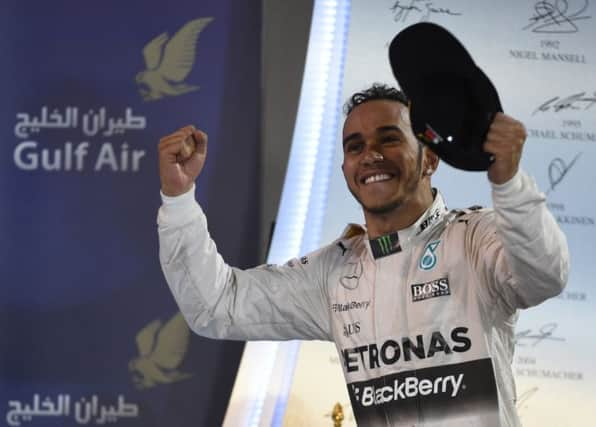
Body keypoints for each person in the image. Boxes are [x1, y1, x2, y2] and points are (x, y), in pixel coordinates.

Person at [157, 84, 569, 426]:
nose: (370, 154)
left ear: (431, 159)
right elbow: (216, 306)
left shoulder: (475, 237)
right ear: (346, 171)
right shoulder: (332, 273)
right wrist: (178, 200)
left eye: (389, 138)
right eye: (355, 146)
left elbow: (545, 275)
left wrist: (510, 182)